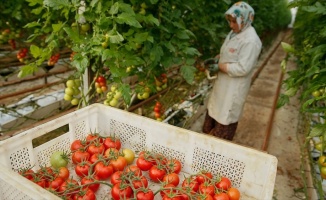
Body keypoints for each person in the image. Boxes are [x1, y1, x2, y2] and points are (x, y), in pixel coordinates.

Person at [202, 1, 262, 140]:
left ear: (245, 19)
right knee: (209, 126)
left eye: (234, 21)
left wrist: (220, 66)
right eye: (229, 21)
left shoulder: (251, 41)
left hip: (232, 91)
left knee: (222, 132)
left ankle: (218, 159)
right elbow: (228, 53)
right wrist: (217, 59)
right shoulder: (235, 32)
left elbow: (243, 68)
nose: (231, 25)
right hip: (222, 87)